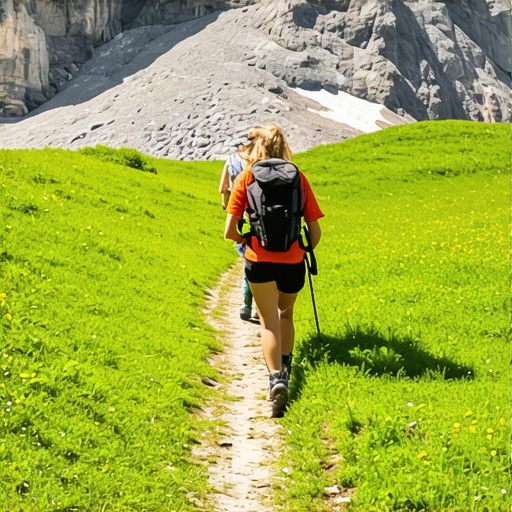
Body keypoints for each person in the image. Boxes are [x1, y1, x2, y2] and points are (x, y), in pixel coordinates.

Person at [224, 124, 324, 417]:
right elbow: (315, 232)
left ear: (256, 148)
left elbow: (229, 231)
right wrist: (303, 248)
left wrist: (247, 239)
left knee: (268, 322)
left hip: (259, 260)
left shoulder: (246, 178)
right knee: (285, 315)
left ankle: (275, 378)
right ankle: (288, 368)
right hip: (292, 261)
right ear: (284, 147)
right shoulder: (299, 179)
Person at [219, 146, 256, 321]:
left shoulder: (230, 161)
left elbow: (222, 187)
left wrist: (226, 207)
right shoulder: (256, 162)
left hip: (238, 215)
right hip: (256, 214)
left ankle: (247, 303)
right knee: (259, 261)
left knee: (248, 261)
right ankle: (258, 308)